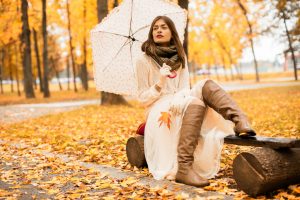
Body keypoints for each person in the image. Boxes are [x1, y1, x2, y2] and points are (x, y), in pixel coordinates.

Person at [135, 16, 256, 187]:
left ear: (172, 32)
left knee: (207, 84)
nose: (159, 30)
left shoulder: (180, 56)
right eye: (155, 28)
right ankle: (184, 168)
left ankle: (240, 120)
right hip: (158, 107)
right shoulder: (143, 60)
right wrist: (160, 83)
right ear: (151, 33)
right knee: (196, 104)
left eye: (163, 27)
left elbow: (185, 87)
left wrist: (180, 97)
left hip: (181, 98)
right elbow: (141, 99)